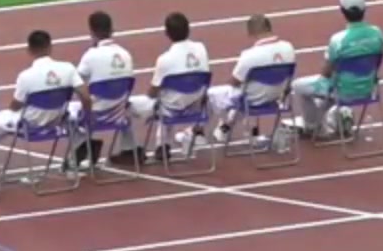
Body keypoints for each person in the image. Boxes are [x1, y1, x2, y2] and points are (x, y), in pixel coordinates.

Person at [292, 0, 383, 139]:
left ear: (342, 11)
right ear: (364, 8)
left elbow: (326, 73)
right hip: (368, 90)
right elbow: (378, 62)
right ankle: (336, 116)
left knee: (299, 86)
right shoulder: (377, 34)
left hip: (342, 91)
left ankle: (313, 126)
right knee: (329, 88)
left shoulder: (338, 40)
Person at [208, 12, 300, 144]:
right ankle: (226, 127)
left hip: (253, 99)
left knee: (213, 95)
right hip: (278, 96)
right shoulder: (288, 48)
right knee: (244, 93)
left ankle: (199, 132)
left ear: (250, 32)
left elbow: (235, 81)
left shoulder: (249, 55)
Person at [75, 9, 140, 166]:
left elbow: (76, 82)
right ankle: (129, 149)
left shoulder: (90, 55)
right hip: (120, 112)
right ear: (112, 30)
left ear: (92, 32)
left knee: (68, 114)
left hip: (96, 114)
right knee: (127, 104)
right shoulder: (125, 54)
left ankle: (84, 148)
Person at [146, 12, 213, 159]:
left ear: (167, 33)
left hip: (173, 108)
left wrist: (152, 95)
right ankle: (197, 130)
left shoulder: (164, 59)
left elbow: (153, 91)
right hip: (198, 105)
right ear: (188, 29)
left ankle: (162, 145)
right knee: (212, 95)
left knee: (161, 100)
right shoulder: (201, 48)